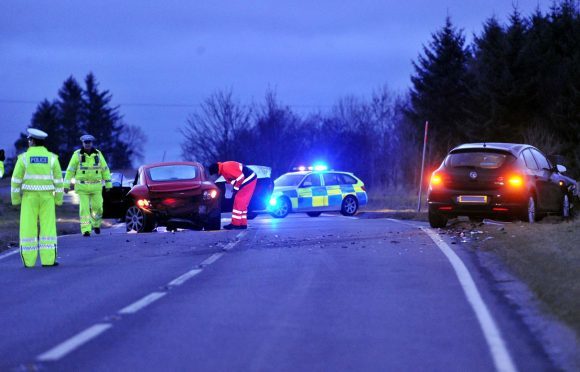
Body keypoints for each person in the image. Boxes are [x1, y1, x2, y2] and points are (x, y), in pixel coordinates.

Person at [11, 129, 63, 268]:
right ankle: (48, 260)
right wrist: (58, 198)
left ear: (32, 141)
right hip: (47, 197)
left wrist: (16, 199)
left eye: (29, 140)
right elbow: (58, 181)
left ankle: (28, 261)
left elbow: (15, 180)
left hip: (29, 197)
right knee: (48, 228)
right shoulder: (52, 158)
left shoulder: (23, 158)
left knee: (28, 228)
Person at [64, 134, 112, 237]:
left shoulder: (98, 154)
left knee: (98, 208)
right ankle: (86, 229)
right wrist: (66, 185)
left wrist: (108, 184)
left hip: (96, 186)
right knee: (84, 209)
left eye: (89, 142)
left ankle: (96, 224)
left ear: (92, 143)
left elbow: (105, 169)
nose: (87, 144)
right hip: (82, 187)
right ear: (82, 143)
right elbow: (70, 171)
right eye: (85, 142)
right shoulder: (77, 155)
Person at [208, 161, 257, 230]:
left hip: (248, 179)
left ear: (216, 170)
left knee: (239, 201)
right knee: (242, 203)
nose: (216, 174)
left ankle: (236, 224)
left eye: (215, 173)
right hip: (248, 179)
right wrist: (233, 189)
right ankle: (243, 224)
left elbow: (240, 177)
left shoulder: (226, 168)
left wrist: (236, 188)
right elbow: (231, 181)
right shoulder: (223, 171)